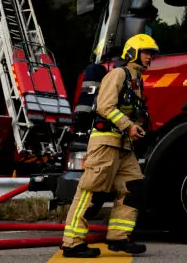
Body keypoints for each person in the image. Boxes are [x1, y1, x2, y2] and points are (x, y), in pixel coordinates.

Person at [60, 33, 158, 258]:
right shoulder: (118, 74)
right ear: (132, 52)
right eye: (146, 53)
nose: (149, 58)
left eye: (151, 54)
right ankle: (72, 242)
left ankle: (118, 237)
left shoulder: (135, 80)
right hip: (105, 142)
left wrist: (138, 127)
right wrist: (128, 125)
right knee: (91, 191)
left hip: (124, 145)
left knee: (134, 187)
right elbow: (104, 106)